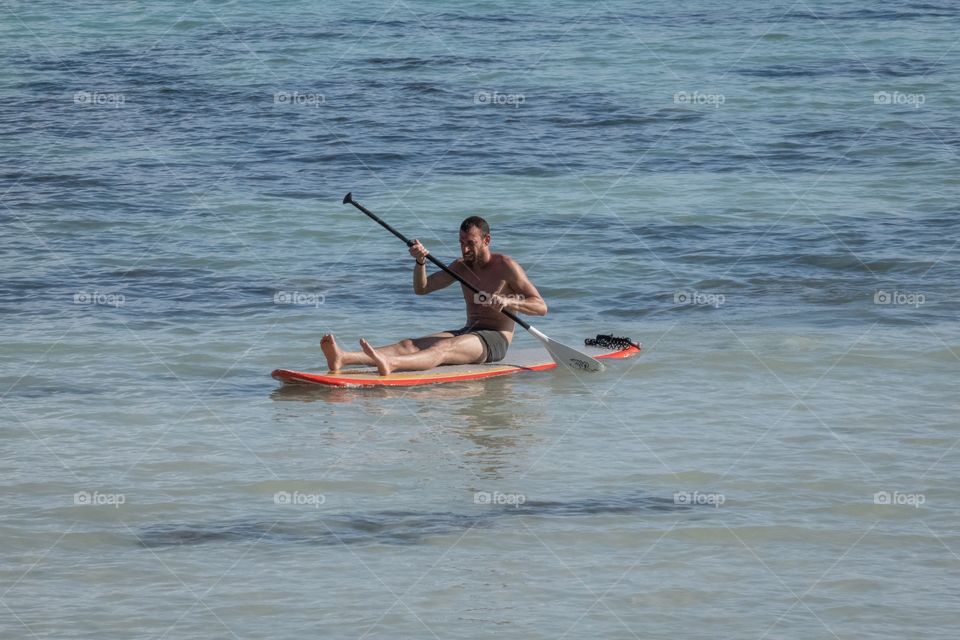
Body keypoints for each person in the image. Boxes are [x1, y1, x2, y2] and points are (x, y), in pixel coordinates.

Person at [320, 216, 547, 376]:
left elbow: (540, 306)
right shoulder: (460, 266)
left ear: (486, 240)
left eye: (471, 244)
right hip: (468, 331)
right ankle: (344, 358)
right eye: (461, 243)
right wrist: (420, 262)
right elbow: (423, 288)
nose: (465, 250)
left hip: (495, 340)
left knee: (442, 349)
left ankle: (391, 364)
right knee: (410, 344)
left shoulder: (506, 266)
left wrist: (507, 300)